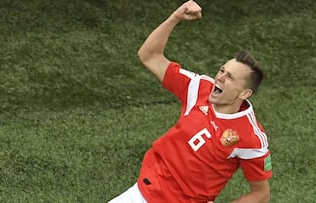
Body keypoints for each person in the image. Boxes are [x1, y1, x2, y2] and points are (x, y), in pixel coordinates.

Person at [108, 0, 272, 202]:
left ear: (244, 94)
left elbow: (260, 194)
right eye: (222, 70)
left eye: (229, 77)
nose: (219, 77)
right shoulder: (199, 88)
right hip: (144, 192)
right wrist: (175, 17)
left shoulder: (251, 137)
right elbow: (149, 56)